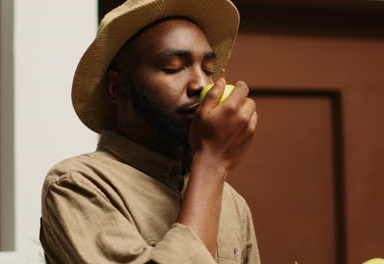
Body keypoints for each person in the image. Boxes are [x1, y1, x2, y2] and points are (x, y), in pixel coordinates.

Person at [39, 0, 260, 263]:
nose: (202, 84)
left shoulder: (232, 203)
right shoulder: (77, 184)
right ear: (116, 88)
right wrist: (211, 162)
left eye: (208, 70)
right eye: (173, 67)